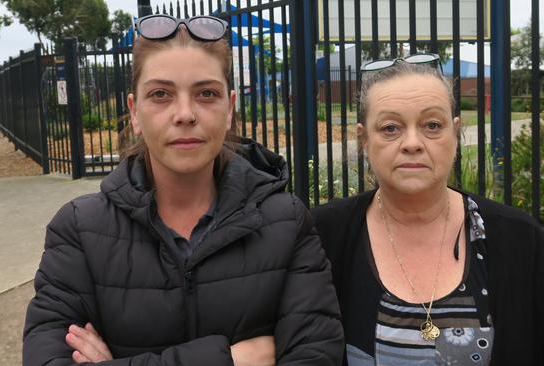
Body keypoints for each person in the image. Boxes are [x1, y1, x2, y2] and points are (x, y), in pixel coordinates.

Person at [23, 14, 343, 365]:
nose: (185, 113)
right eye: (161, 94)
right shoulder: (79, 231)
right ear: (134, 113)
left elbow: (317, 356)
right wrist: (231, 360)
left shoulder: (286, 223)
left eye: (206, 94)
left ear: (230, 108)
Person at [310, 55, 544, 365]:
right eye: (391, 128)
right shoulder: (321, 238)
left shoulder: (524, 242)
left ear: (455, 133)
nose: (412, 143)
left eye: (432, 125)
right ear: (364, 139)